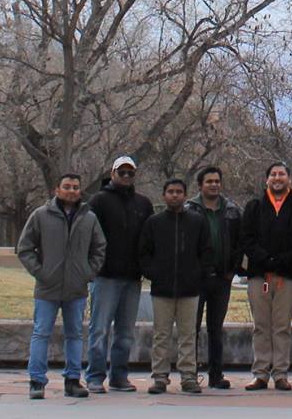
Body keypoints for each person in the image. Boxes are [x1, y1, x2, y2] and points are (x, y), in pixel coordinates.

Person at [18, 171, 108, 401]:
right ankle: (36, 381)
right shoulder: (40, 216)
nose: (71, 191)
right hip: (47, 288)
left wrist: (88, 273)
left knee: (75, 335)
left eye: (76, 187)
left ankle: (72, 380)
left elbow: (100, 248)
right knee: (41, 333)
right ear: (57, 190)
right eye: (67, 186)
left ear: (80, 191)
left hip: (76, 288)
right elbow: (25, 248)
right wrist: (41, 272)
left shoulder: (89, 218)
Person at [82, 155, 153, 394]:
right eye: (121, 172)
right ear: (112, 174)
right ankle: (94, 376)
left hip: (132, 278)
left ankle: (119, 376)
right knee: (99, 329)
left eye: (129, 173)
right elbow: (89, 237)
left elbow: (148, 240)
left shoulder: (143, 204)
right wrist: (92, 268)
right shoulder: (99, 201)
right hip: (105, 276)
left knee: (125, 333)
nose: (125, 176)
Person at [242, 161, 292, 391]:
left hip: (287, 276)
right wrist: (266, 260)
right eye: (273, 174)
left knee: (281, 326)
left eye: (282, 174)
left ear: (288, 179)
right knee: (261, 326)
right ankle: (260, 373)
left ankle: (281, 373)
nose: (277, 178)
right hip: (259, 275)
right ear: (267, 179)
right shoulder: (254, 206)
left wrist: (283, 260)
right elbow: (247, 240)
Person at [140, 176, 210, 394]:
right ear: (164, 195)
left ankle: (189, 376)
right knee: (161, 334)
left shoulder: (197, 221)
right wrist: (154, 274)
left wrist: (198, 275)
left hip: (190, 290)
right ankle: (160, 377)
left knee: (188, 334)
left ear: (185, 195)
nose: (175, 195)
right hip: (162, 289)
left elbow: (206, 252)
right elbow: (144, 253)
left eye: (179, 191)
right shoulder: (154, 222)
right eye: (170, 191)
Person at [193, 166, 243, 390]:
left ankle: (216, 374)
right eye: (209, 181)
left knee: (216, 328)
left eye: (217, 181)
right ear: (200, 185)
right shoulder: (190, 209)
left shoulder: (232, 210)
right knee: (190, 328)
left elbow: (240, 242)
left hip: (222, 278)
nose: (213, 184)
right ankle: (189, 373)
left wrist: (233, 270)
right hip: (196, 278)